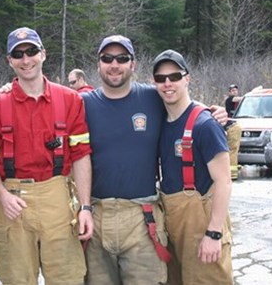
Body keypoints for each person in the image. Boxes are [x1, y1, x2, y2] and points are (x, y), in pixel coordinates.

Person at [81, 35, 227, 285]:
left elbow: (182, 101)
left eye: (122, 58)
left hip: (142, 217)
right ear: (98, 64)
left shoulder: (152, 98)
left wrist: (213, 112)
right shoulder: (82, 104)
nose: (114, 64)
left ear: (133, 64)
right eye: (107, 58)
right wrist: (10, 88)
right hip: (98, 216)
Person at [0, 27, 93, 285]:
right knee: (16, 278)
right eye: (18, 54)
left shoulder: (70, 100)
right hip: (12, 201)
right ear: (9, 61)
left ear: (43, 54)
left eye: (31, 51)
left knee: (67, 278)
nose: (26, 59)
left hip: (57, 198)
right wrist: (2, 195)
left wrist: (85, 207)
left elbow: (81, 156)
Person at [153, 49, 233, 285]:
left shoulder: (205, 124)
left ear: (187, 78)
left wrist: (214, 233)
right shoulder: (161, 120)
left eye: (175, 76)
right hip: (173, 226)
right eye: (160, 78)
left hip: (203, 228)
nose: (168, 83)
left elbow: (224, 181)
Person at [223, 84, 242, 180]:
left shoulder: (240, 104)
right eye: (233, 90)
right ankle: (232, 173)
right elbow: (237, 99)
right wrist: (249, 96)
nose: (234, 92)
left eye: (236, 90)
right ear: (230, 92)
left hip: (236, 124)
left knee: (234, 150)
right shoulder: (230, 99)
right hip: (231, 126)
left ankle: (233, 169)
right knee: (232, 149)